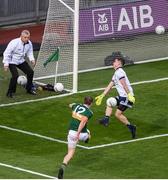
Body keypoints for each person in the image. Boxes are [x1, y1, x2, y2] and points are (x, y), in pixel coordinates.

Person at [95, 52, 136, 139]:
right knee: (109, 101)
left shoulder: (120, 72)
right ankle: (106, 119)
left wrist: (129, 94)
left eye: (114, 61)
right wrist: (102, 95)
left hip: (126, 97)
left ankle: (131, 127)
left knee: (117, 114)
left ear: (119, 62)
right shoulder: (116, 73)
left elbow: (123, 83)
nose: (113, 63)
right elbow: (110, 85)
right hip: (123, 96)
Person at [57, 96, 93, 179]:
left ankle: (63, 165)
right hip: (80, 134)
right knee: (88, 132)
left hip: (71, 133)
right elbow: (83, 122)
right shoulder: (89, 112)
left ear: (84, 101)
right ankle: (87, 139)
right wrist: (78, 134)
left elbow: (70, 105)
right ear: (91, 103)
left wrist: (72, 105)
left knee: (70, 153)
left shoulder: (76, 106)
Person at [3, 30, 36, 98]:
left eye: (28, 37)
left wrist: (32, 59)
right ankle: (10, 93)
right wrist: (6, 64)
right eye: (25, 37)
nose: (27, 39)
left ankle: (29, 89)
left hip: (21, 60)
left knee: (30, 72)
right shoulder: (14, 42)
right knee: (15, 76)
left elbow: (30, 52)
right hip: (12, 61)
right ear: (21, 36)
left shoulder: (29, 43)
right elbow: (6, 53)